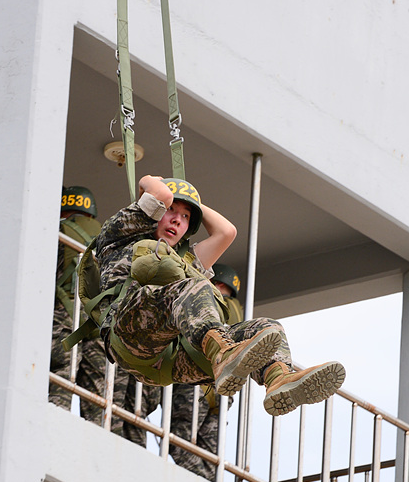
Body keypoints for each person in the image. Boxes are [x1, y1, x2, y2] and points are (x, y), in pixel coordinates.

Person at [84, 176, 345, 417]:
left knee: (267, 327)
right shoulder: (120, 236)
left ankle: (278, 379)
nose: (177, 220)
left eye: (186, 217)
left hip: (170, 362)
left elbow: (227, 232)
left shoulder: (186, 261)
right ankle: (222, 354)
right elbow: (161, 192)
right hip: (129, 336)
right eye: (172, 211)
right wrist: (149, 181)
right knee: (196, 289)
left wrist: (191, 202)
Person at [167, 263, 243, 480]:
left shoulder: (207, 302)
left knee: (179, 442)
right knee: (211, 455)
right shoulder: (238, 314)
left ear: (215, 283)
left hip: (196, 385)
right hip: (223, 392)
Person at [50, 187, 109, 427]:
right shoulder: (108, 237)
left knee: (63, 371)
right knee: (97, 390)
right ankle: (96, 439)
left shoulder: (59, 230)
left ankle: (53, 424)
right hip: (99, 321)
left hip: (66, 314)